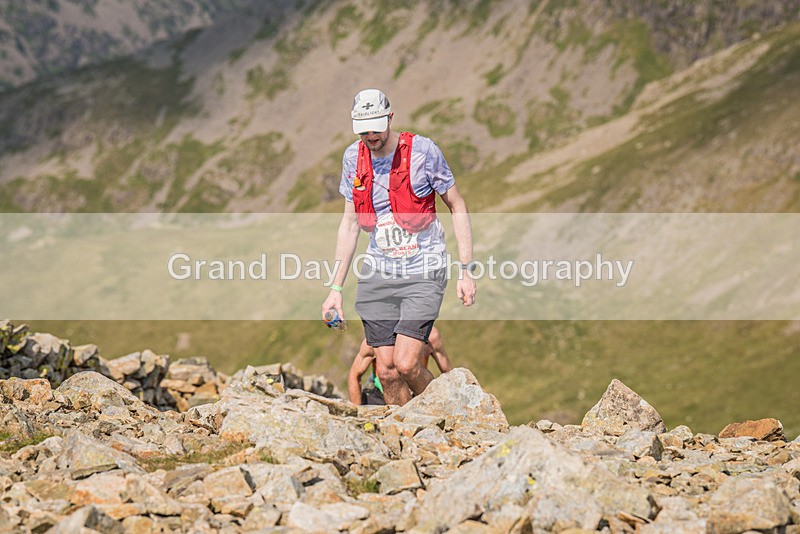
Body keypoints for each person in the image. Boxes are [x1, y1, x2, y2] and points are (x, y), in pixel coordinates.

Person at [322, 88, 476, 406]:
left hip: (424, 269)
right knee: (388, 373)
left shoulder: (424, 152)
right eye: (363, 129)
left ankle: (453, 413)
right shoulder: (353, 158)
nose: (371, 135)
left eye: (377, 127)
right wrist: (335, 288)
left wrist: (465, 269)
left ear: (390, 118)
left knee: (407, 364)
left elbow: (457, 206)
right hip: (379, 273)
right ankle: (410, 439)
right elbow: (350, 224)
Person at [348, 326, 452, 405]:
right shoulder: (374, 341)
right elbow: (354, 375)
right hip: (380, 395)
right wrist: (356, 415)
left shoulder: (431, 336)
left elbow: (450, 375)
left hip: (417, 392)